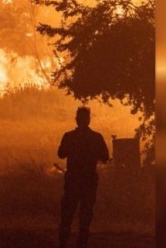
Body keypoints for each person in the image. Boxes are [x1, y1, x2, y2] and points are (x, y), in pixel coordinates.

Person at [58, 106, 109, 248]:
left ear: (76, 120)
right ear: (88, 120)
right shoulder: (96, 138)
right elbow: (105, 157)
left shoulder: (68, 136)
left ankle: (64, 241)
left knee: (67, 213)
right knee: (86, 214)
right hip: (89, 180)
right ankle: (82, 242)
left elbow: (61, 154)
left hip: (73, 180)